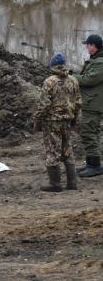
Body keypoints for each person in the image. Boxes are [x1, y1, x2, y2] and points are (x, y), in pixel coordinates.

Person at [33, 53, 81, 191]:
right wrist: (74, 118)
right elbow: (78, 102)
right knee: (67, 150)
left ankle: (55, 184)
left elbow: (44, 104)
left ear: (52, 65)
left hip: (52, 122)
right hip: (68, 120)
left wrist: (37, 120)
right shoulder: (73, 80)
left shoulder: (49, 81)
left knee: (53, 151)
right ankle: (72, 183)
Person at [73, 34, 103, 178]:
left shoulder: (100, 62)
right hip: (91, 102)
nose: (86, 47)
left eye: (88, 44)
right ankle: (91, 163)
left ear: (94, 45)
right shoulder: (96, 60)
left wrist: (73, 77)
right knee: (90, 132)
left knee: (89, 133)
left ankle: (95, 166)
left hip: (94, 103)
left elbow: (89, 80)